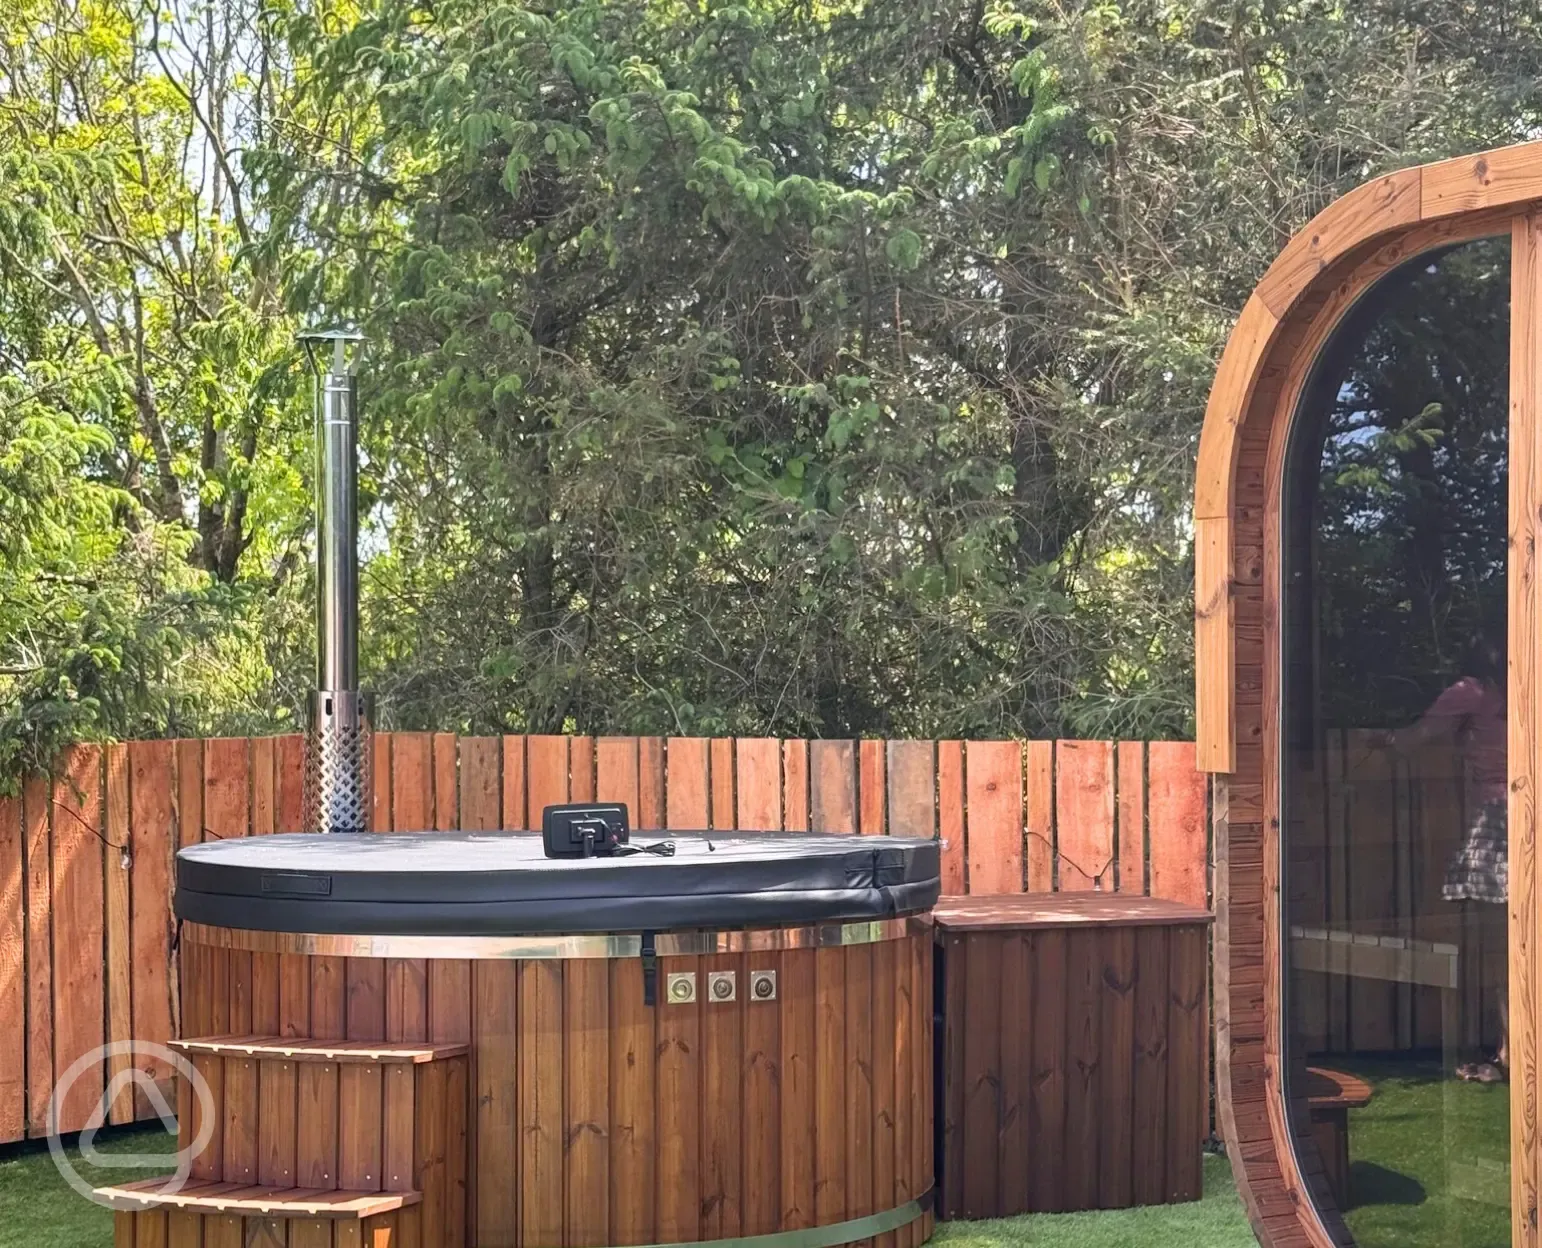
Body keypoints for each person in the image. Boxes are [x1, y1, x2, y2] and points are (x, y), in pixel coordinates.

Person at [1386, 636, 1507, 1082]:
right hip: (1524, 810)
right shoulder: (1522, 689)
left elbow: (1416, 738)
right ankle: (1510, 1051)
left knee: (1503, 947)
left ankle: (1511, 1055)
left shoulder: (1472, 691)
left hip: (1499, 820)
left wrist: (1386, 740)